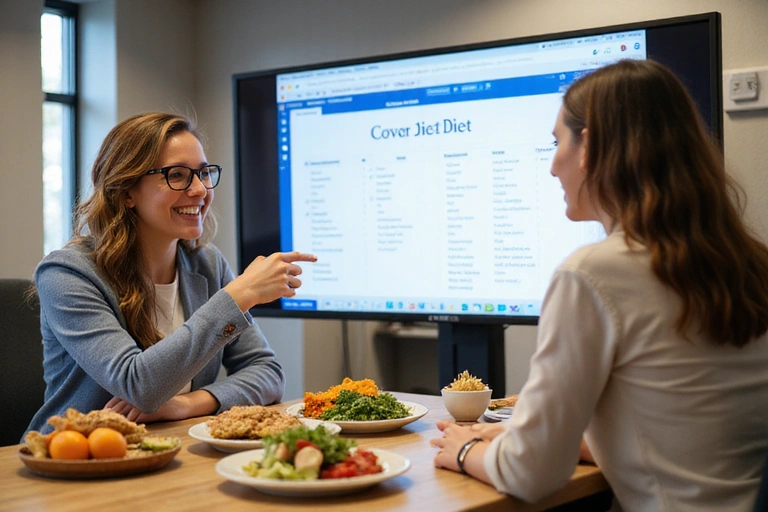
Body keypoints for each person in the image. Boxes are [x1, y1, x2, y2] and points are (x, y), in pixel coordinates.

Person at [431, 59, 768, 511]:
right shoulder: (749, 260)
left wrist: (465, 449)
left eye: (556, 143)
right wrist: (519, 435)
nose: (552, 167)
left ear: (587, 145)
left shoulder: (593, 272)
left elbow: (530, 476)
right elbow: (685, 434)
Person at [25, 112, 316, 436]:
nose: (199, 190)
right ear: (126, 192)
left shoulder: (207, 264)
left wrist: (186, 404)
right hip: (73, 460)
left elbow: (268, 373)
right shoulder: (68, 274)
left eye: (204, 173)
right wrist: (237, 296)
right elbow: (138, 384)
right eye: (177, 175)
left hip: (171, 451)